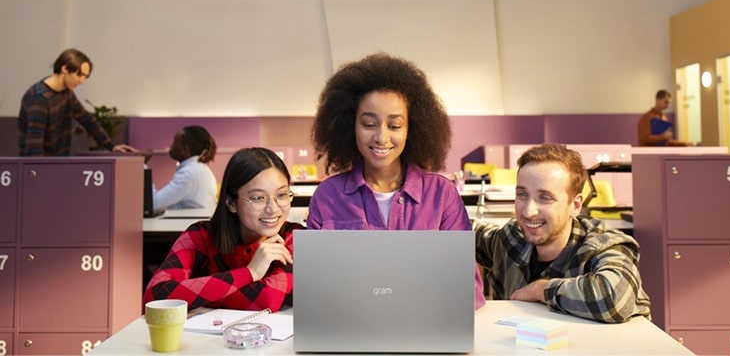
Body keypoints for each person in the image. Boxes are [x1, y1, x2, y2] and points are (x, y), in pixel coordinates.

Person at [307, 52, 486, 309]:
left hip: (425, 328)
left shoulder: (441, 195)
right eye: (369, 124)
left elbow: (469, 291)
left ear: (411, 129)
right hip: (352, 327)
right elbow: (314, 286)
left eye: (394, 125)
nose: (381, 137)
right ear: (350, 126)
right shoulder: (328, 196)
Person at [474, 143, 651, 323]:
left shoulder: (605, 246)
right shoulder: (513, 238)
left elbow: (615, 298)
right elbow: (464, 231)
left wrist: (541, 289)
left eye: (545, 198)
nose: (528, 211)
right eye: (522, 194)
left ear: (575, 205)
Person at [144, 147, 304, 311]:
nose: (273, 209)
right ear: (231, 203)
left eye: (282, 195)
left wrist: (197, 294)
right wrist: (250, 273)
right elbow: (155, 296)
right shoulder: (200, 235)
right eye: (257, 198)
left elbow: (266, 298)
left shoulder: (295, 238)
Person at [18, 48, 138, 156]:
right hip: (39, 169)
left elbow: (87, 120)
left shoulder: (66, 93)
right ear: (65, 68)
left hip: (56, 163)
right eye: (80, 75)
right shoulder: (39, 99)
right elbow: (33, 148)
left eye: (85, 77)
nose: (82, 81)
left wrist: (111, 146)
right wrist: (38, 176)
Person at [143, 125, 219, 212]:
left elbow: (153, 204)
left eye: (175, 142)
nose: (171, 146)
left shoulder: (188, 174)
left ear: (185, 149)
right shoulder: (200, 168)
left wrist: (142, 164)